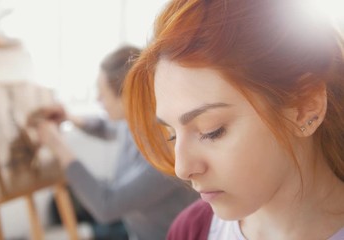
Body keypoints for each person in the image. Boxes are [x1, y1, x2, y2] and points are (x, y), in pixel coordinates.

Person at [122, 0, 344, 239]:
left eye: (212, 130)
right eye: (172, 134)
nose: (182, 168)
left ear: (304, 107)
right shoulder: (189, 230)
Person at [33, 45, 199, 240]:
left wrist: (57, 145)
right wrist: (70, 117)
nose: (97, 99)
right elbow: (106, 128)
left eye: (102, 93)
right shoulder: (134, 123)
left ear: (126, 96)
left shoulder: (166, 154)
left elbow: (106, 206)